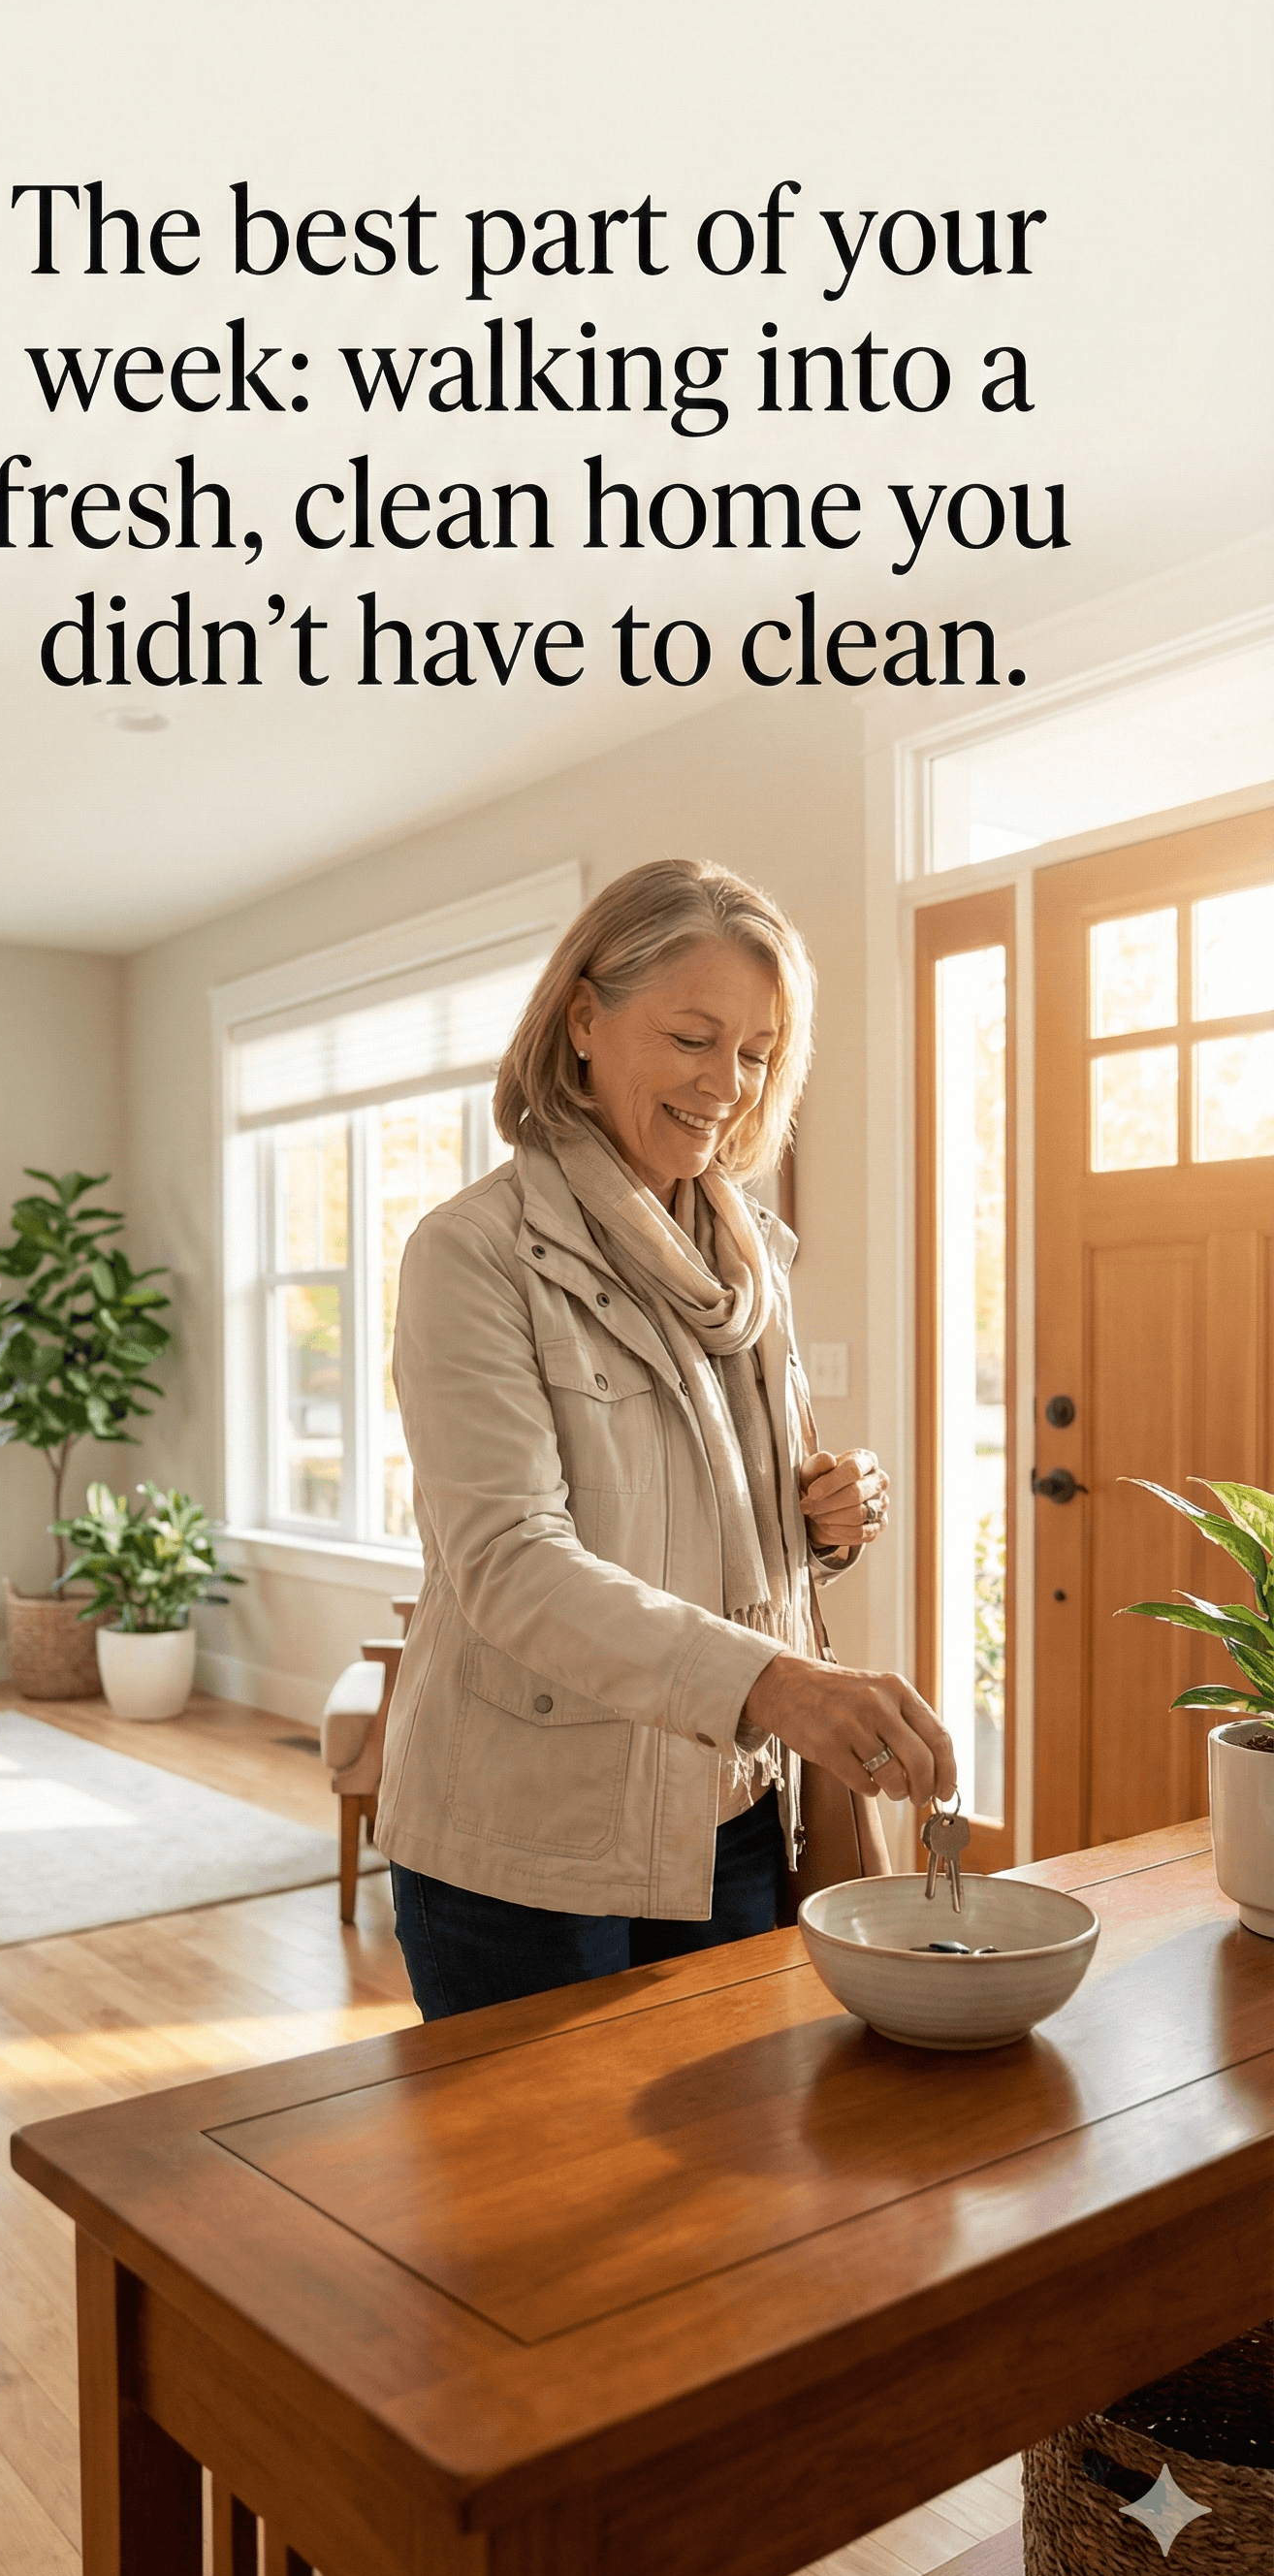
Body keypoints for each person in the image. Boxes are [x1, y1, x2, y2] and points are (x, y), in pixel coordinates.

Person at [375, 858, 954, 2020]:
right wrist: (778, 1683)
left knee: (738, 2184)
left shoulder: (748, 1258)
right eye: (694, 1037)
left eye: (755, 1052)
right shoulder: (473, 1254)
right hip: (523, 1850)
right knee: (542, 2203)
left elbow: (730, 1510)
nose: (728, 1085)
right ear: (583, 1018)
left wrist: (827, 1514)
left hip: (732, 1816)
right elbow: (509, 1564)